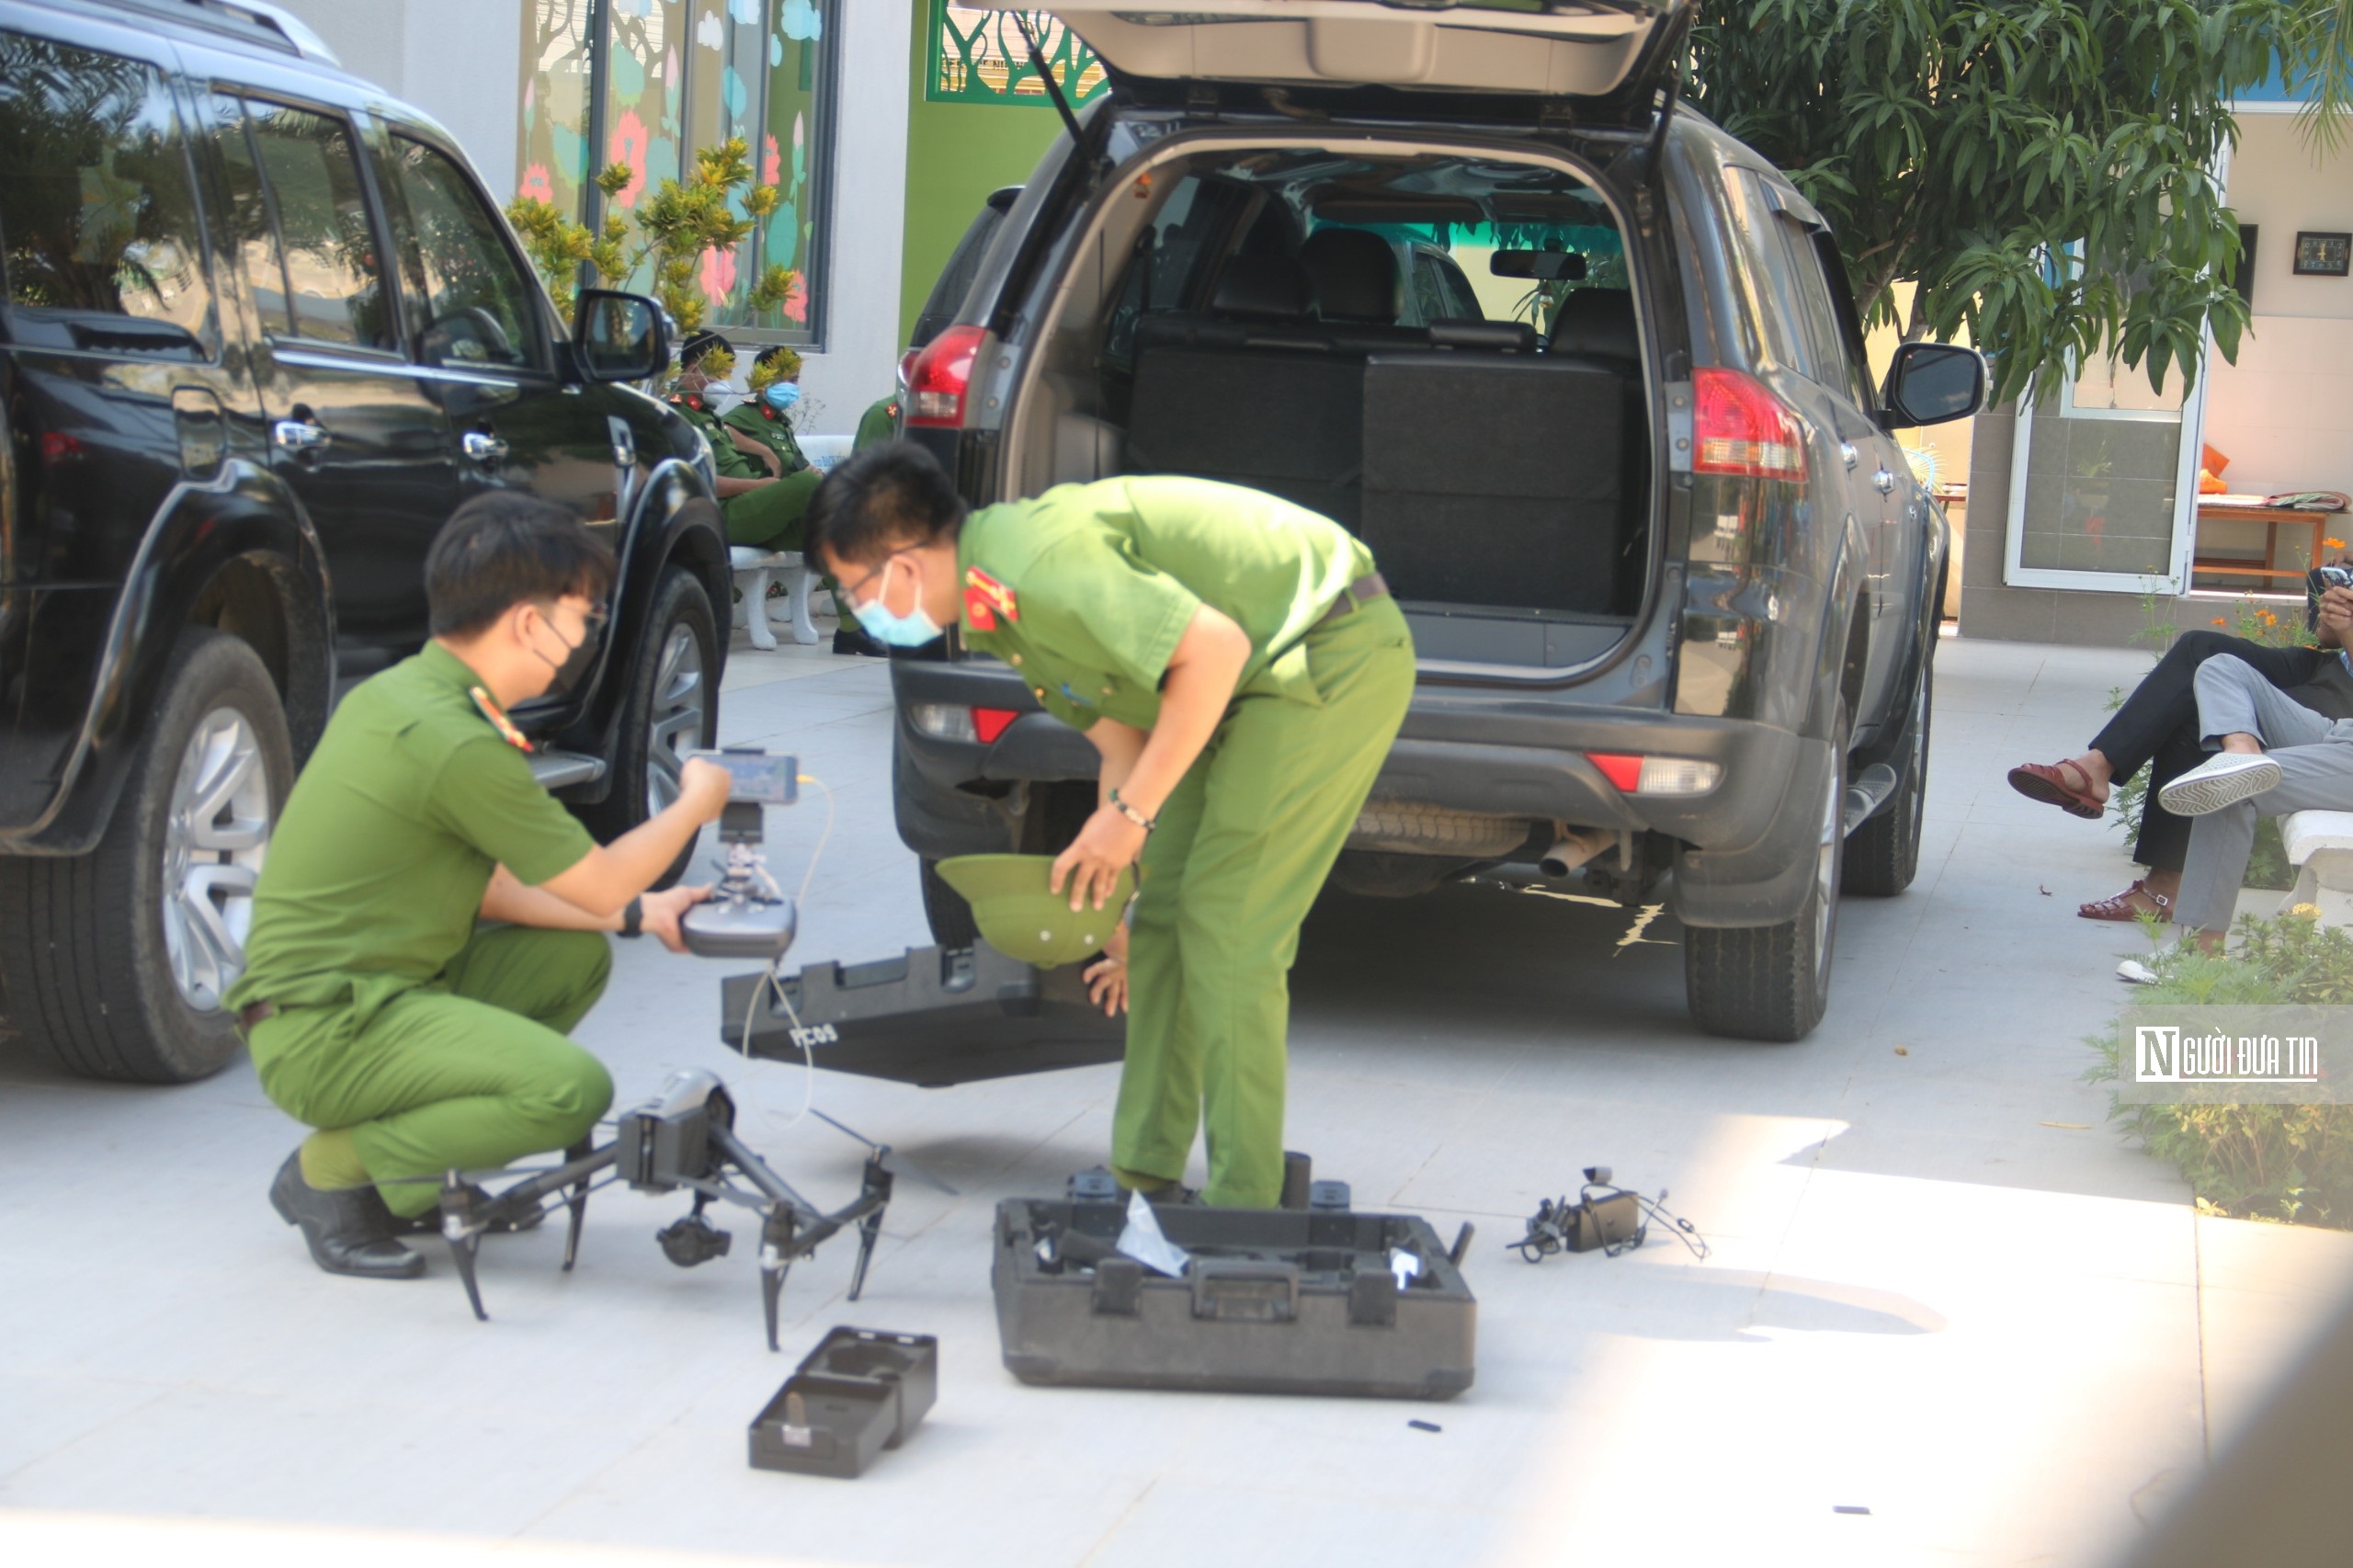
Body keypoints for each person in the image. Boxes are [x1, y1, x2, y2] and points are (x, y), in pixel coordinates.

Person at [804, 444, 1415, 1209]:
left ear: (901, 564)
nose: (855, 605)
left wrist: (1129, 820)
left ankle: (1246, 1205)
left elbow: (1215, 649)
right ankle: (1145, 1169)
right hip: (1235, 687)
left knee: (1228, 925)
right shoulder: (1000, 612)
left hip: (1321, 649)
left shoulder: (1040, 564)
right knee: (1162, 922)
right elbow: (1124, 745)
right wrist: (1117, 881)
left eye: (850, 586)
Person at [230, 494, 733, 1280]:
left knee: (574, 961)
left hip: (362, 994)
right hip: (323, 1030)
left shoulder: (410, 694)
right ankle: (332, 1172)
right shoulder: (453, 740)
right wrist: (697, 801)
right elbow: (598, 877)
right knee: (570, 1092)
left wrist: (639, 913)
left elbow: (493, 888)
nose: (581, 639)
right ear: (530, 623)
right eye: (583, 617)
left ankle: (409, 1177)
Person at [2007, 575, 2353, 921]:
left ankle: (2163, 886)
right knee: (2199, 649)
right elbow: (2325, 639)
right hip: (2335, 665)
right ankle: (2099, 765)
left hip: (2345, 707)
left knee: (2194, 712)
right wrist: (2333, 617)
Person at [2161, 645, 2353, 948]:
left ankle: (2200, 950)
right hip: (2343, 733)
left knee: (2229, 786)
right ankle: (2241, 749)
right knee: (2221, 666)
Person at [666, 329, 820, 555]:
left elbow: (730, 434)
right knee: (807, 483)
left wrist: (763, 453)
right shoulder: (674, 416)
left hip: (750, 506)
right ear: (692, 369)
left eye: (727, 375)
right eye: (718, 375)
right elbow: (695, 485)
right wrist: (758, 486)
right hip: (722, 514)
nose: (724, 383)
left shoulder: (708, 415)